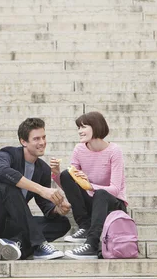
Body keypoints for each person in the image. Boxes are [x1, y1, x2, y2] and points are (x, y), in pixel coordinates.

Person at [0, 118, 71, 260]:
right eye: (36, 138)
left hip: (9, 226)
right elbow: (2, 172)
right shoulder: (6, 154)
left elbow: (45, 205)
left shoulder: (43, 169)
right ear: (23, 141)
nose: (42, 142)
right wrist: (41, 189)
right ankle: (37, 246)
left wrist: (56, 209)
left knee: (62, 223)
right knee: (7, 185)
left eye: (44, 137)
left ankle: (16, 244)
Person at [49, 111, 128, 260]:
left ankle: (91, 245)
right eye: (78, 127)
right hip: (93, 204)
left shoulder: (114, 151)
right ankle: (85, 226)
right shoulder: (79, 149)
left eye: (83, 127)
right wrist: (56, 173)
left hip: (112, 204)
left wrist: (90, 186)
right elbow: (70, 183)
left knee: (101, 193)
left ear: (96, 127)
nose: (79, 131)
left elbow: (115, 189)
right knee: (67, 174)